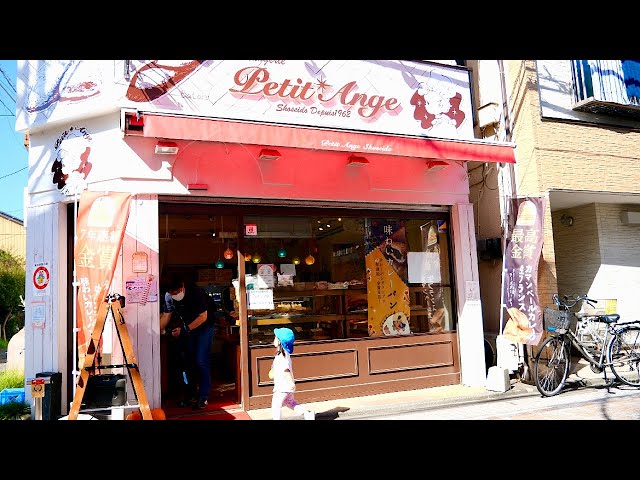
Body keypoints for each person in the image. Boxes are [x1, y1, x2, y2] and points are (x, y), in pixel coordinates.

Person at [160, 273, 214, 409]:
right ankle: (190, 395)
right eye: (172, 293)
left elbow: (203, 317)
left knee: (201, 360)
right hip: (188, 328)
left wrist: (184, 330)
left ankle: (203, 396)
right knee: (187, 362)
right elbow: (166, 315)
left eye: (176, 292)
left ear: (182, 287)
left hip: (205, 327)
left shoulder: (195, 292)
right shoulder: (168, 296)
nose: (175, 295)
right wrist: (156, 332)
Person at [269, 327, 315, 420]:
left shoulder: (281, 356)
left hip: (282, 386)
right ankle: (307, 414)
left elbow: (286, 370)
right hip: (286, 387)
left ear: (280, 342)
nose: (274, 339)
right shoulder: (283, 354)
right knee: (290, 402)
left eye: (275, 337)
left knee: (276, 405)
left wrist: (290, 383)